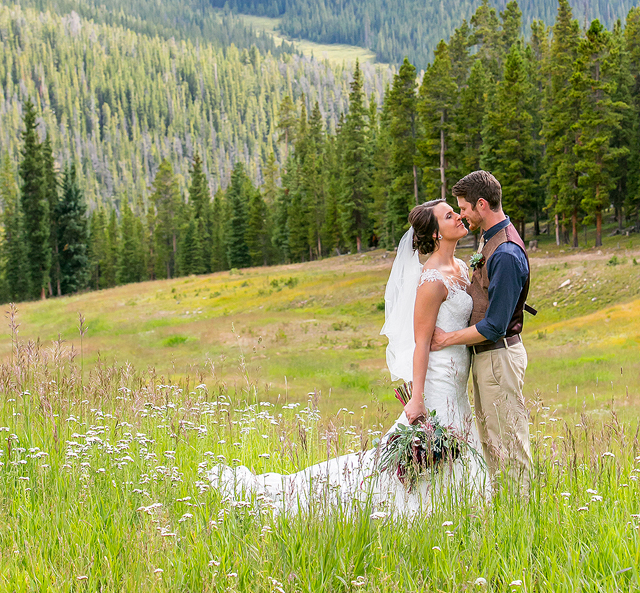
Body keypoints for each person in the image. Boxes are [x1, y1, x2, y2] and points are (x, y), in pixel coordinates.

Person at [208, 200, 485, 515]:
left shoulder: (462, 268)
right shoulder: (432, 281)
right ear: (435, 235)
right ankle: (328, 496)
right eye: (449, 216)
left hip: (458, 379)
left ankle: (458, 507)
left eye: (455, 211)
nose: (458, 217)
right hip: (438, 379)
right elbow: (421, 344)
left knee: (458, 445)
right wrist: (417, 398)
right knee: (427, 449)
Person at [430, 170, 532, 493]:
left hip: (499, 357)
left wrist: (446, 339)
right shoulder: (489, 237)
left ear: (482, 204)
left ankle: (521, 518)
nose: (462, 215)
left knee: (509, 444)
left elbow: (494, 326)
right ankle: (505, 513)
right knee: (492, 441)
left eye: (464, 208)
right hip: (488, 361)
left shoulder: (505, 253)